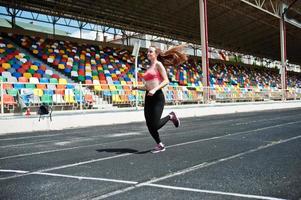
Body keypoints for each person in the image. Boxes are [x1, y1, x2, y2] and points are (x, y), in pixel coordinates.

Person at [133, 45, 187, 153]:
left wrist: (155, 89)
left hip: (157, 97)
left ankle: (171, 116)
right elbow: (147, 86)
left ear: (156, 54)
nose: (148, 53)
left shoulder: (158, 64)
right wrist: (138, 87)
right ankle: (160, 145)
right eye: (147, 52)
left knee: (155, 124)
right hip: (148, 97)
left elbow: (166, 81)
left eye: (151, 52)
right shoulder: (149, 68)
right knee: (149, 124)